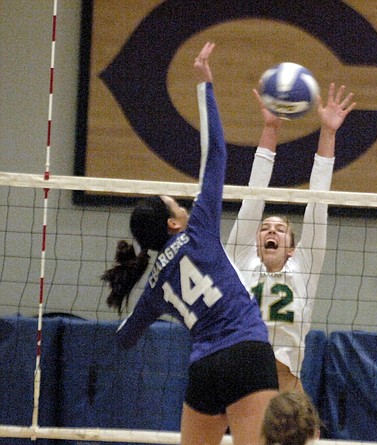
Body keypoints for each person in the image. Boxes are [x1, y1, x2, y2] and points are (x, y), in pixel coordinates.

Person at [101, 42, 278, 445]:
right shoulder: (197, 230)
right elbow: (215, 153)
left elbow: (125, 338)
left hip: (205, 370)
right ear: (173, 222)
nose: (183, 204)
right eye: (176, 203)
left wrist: (134, 317)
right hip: (248, 351)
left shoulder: (154, 287)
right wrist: (204, 85)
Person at [226, 80, 355, 392]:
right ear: (255, 241)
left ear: (292, 249)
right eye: (265, 228)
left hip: (286, 383)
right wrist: (270, 128)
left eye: (280, 229)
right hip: (241, 377)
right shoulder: (241, 260)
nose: (271, 230)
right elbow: (254, 197)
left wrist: (328, 133)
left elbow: (318, 202)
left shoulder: (304, 268)